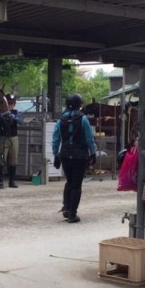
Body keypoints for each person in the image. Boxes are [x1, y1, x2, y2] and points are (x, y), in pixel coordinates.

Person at [52, 93, 97, 223]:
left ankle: (66, 207)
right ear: (79, 105)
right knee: (77, 184)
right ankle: (72, 214)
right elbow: (89, 138)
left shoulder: (61, 120)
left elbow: (55, 139)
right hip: (80, 155)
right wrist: (93, 153)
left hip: (65, 154)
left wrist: (56, 155)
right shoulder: (83, 119)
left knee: (69, 181)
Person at [0, 94, 25, 189]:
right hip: (3, 138)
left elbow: (22, 121)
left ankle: (12, 181)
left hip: (13, 137)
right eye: (9, 103)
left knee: (14, 160)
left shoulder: (16, 112)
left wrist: (14, 117)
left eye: (12, 103)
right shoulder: (0, 112)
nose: (10, 105)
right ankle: (0, 181)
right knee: (1, 158)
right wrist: (0, 118)